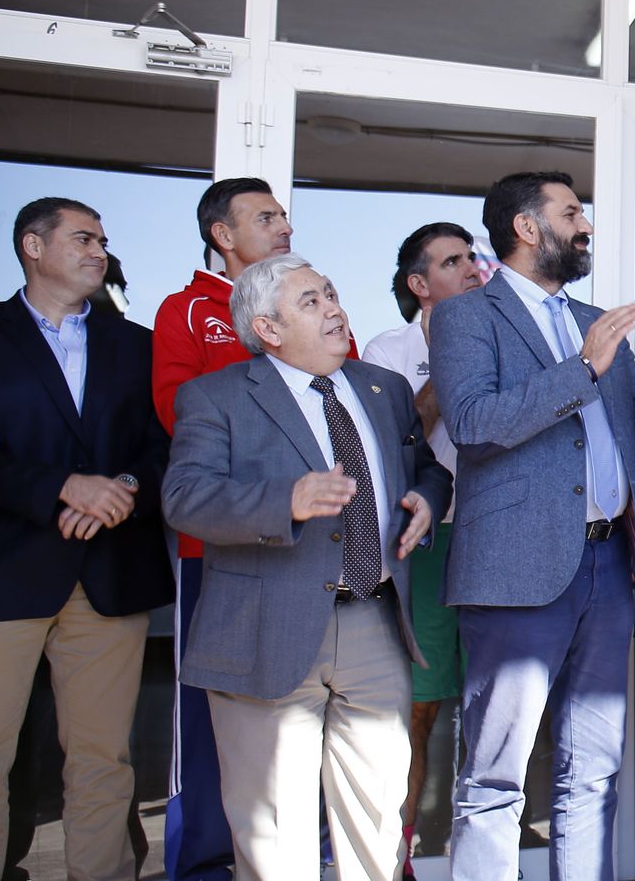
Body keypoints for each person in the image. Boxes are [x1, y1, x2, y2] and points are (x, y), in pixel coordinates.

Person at [429, 171, 635, 878]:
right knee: (495, 777)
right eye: (570, 213)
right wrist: (582, 368)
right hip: (515, 569)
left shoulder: (597, 321)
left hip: (609, 566)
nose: (585, 225)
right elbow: (473, 424)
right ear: (527, 228)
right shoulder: (467, 317)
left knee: (593, 771)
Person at [162, 253, 452, 880]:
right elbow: (184, 498)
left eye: (331, 294)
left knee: (377, 821)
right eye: (311, 302)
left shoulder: (384, 389)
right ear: (267, 329)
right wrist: (284, 502)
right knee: (274, 832)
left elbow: (425, 467)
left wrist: (427, 499)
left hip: (375, 620)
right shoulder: (216, 396)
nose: (334, 310)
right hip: (264, 628)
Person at [0, 198, 174, 881]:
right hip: (1, 575)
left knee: (101, 761)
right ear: (33, 247)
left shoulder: (138, 344)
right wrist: (63, 487)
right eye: (84, 238)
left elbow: (168, 448)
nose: (100, 252)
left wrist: (120, 490)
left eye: (103, 240)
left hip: (109, 572)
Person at [150, 176, 296, 881]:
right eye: (266, 217)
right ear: (223, 234)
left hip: (304, 547)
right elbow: (178, 414)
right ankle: (206, 865)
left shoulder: (309, 303)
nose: (284, 226)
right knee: (209, 717)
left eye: (284, 215)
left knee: (296, 712)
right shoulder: (187, 309)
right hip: (214, 548)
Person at [361, 221, 482, 877]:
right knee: (420, 709)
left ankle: (481, 853)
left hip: (495, 539)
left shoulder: (503, 336)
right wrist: (448, 359)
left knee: (493, 708)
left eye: (472, 258)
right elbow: (394, 442)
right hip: (426, 541)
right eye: (453, 261)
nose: (472, 269)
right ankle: (399, 853)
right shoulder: (389, 348)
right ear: (419, 283)